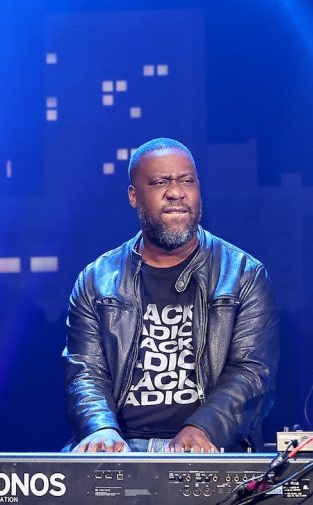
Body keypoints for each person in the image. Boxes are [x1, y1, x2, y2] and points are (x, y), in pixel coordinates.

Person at [62, 138, 279, 453]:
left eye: (186, 181)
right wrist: (101, 429)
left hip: (207, 445)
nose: (176, 192)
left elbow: (254, 372)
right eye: (160, 182)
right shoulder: (97, 280)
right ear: (134, 196)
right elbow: (84, 371)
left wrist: (202, 428)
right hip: (119, 446)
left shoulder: (243, 274)